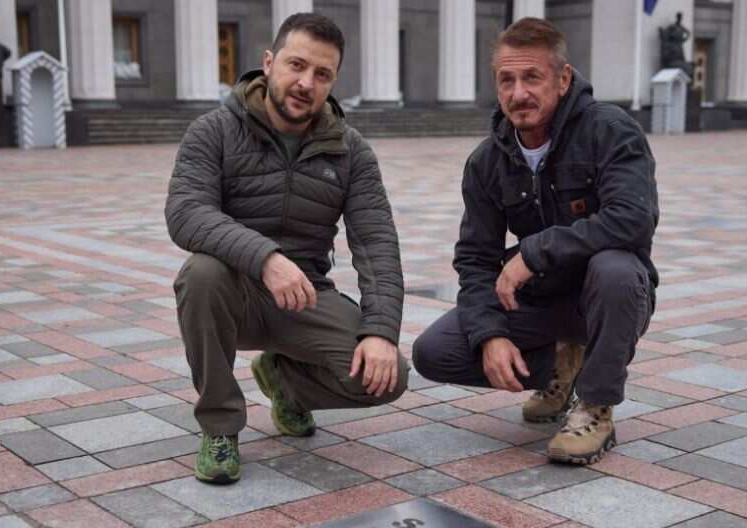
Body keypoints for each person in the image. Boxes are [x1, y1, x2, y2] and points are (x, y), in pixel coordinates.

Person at [167, 13, 408, 485]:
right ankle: (219, 427)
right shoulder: (213, 131)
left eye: (322, 74)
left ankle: (286, 383)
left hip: (307, 297)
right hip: (233, 292)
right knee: (200, 273)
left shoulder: (350, 150)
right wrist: (265, 258)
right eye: (296, 65)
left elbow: (376, 242)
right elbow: (186, 212)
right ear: (269, 62)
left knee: (388, 376)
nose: (306, 83)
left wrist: (381, 330)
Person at [412, 18, 658, 466]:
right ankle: (560, 366)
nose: (518, 93)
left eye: (532, 77)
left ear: (563, 79)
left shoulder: (609, 130)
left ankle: (595, 405)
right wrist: (489, 336)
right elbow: (475, 259)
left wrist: (534, 251)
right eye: (507, 80)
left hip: (606, 299)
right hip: (543, 301)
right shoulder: (488, 161)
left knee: (616, 269)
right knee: (435, 352)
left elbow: (633, 218)